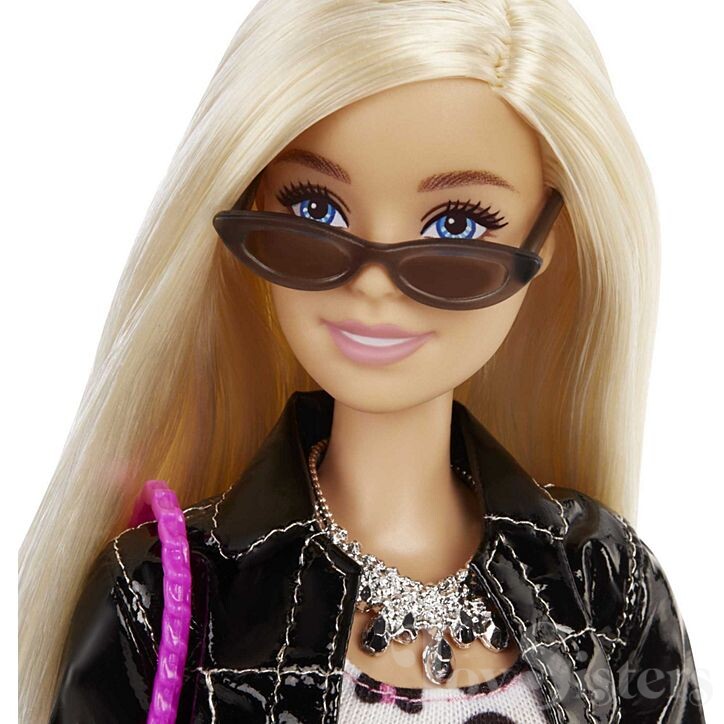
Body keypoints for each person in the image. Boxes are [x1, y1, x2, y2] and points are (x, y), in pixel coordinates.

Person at [19, 1, 705, 722]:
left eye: (457, 225)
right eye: (316, 210)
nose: (373, 285)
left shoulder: (603, 582)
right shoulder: (161, 596)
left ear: (546, 242)